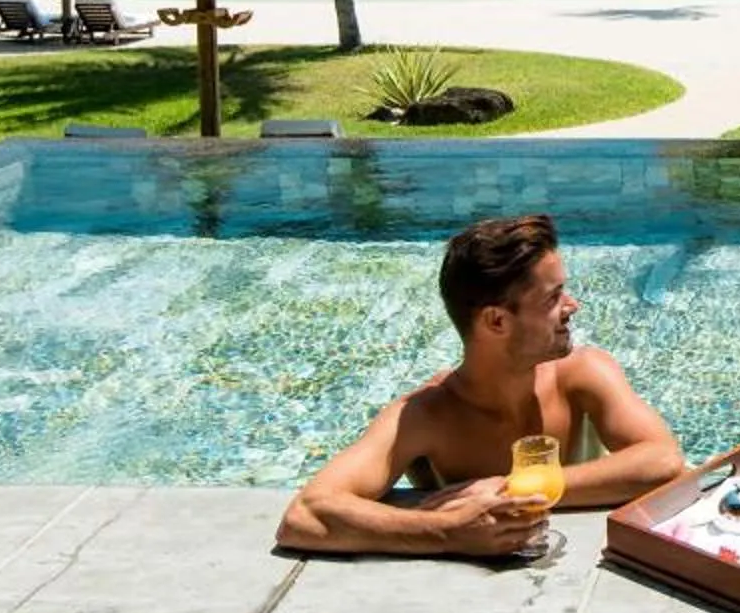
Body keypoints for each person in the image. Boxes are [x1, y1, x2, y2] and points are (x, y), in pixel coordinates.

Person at [277, 214, 685, 557]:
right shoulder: (425, 416)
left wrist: (510, 490)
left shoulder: (583, 373)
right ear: (496, 321)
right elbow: (306, 515)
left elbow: (663, 461)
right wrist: (446, 532)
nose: (572, 305)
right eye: (553, 296)